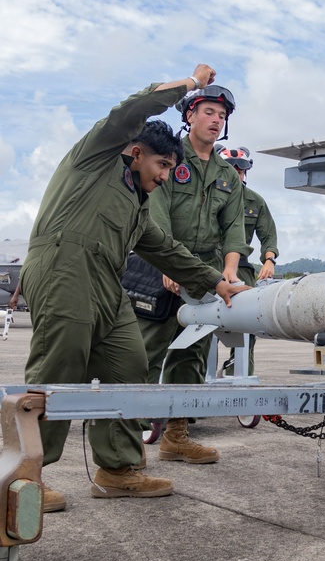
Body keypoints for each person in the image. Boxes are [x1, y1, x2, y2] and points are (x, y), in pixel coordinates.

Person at [19, 65, 245, 512]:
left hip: (106, 282)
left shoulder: (137, 206)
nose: (165, 176)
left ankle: (118, 470)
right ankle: (23, 478)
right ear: (136, 151)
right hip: (63, 266)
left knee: (130, 361)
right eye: (162, 165)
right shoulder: (97, 156)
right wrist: (191, 84)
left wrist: (218, 283)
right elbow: (133, 109)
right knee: (57, 371)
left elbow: (166, 248)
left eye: (171, 169)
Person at [137, 83, 249, 465]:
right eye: (208, 112)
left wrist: (229, 271)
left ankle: (177, 436)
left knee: (192, 357)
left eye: (222, 116)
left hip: (204, 275)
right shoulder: (169, 157)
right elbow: (156, 210)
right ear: (190, 116)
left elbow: (234, 228)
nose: (216, 120)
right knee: (145, 353)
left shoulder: (227, 176)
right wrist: (170, 264)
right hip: (158, 264)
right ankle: (123, 443)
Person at [218, 145, 279, 375]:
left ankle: (240, 378)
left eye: (240, 170)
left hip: (240, 270)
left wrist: (269, 260)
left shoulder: (254, 201)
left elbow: (268, 235)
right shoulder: (206, 196)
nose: (236, 173)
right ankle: (195, 384)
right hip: (206, 264)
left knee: (246, 330)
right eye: (229, 168)